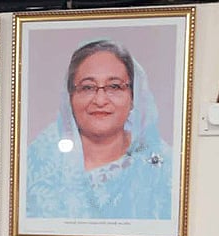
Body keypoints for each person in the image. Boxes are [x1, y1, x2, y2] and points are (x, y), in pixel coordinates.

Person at [25, 39, 172, 220]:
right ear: (70, 97)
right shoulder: (36, 163)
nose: (100, 100)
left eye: (114, 86)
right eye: (87, 87)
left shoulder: (163, 168)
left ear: (133, 97)